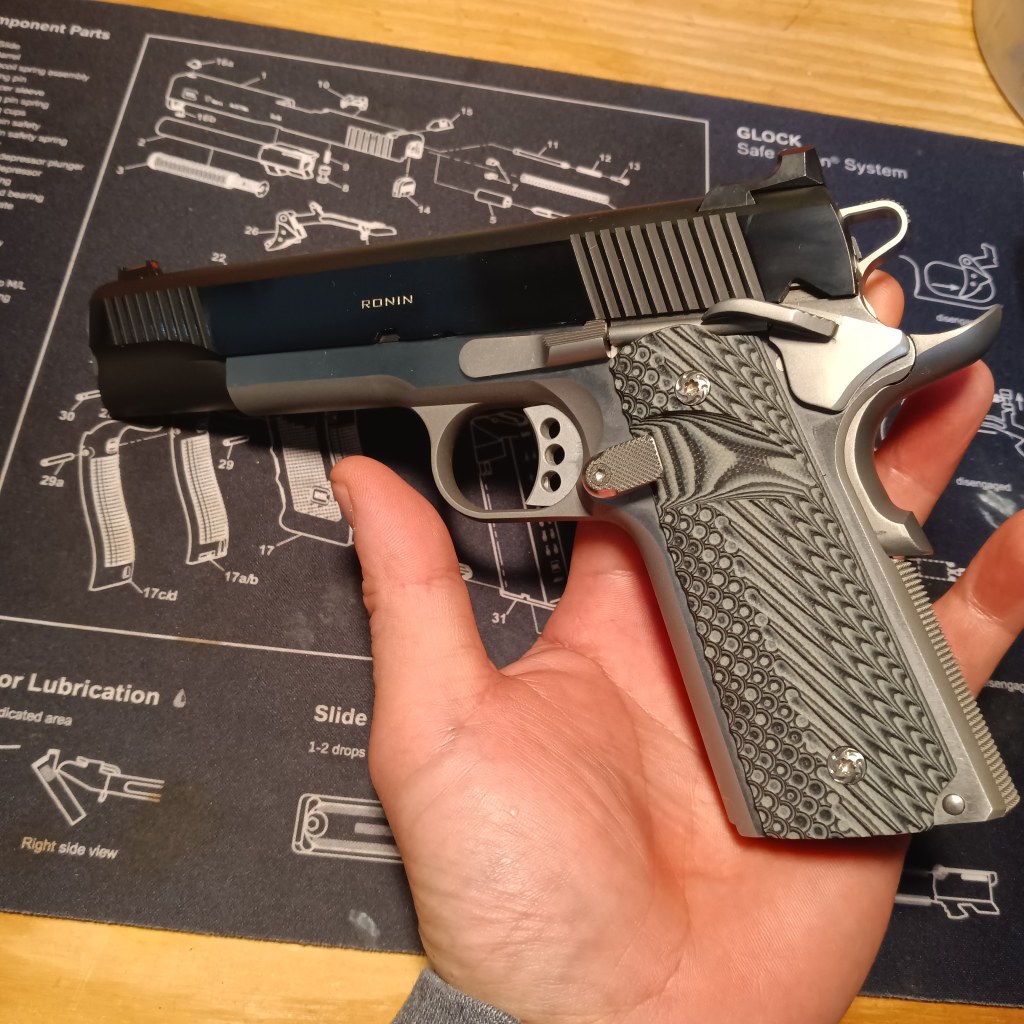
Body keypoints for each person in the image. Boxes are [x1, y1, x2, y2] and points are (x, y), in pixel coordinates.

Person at [330, 273, 1024, 1024]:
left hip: (692, 347)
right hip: (682, 343)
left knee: (727, 478)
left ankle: (855, 776)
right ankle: (854, 776)